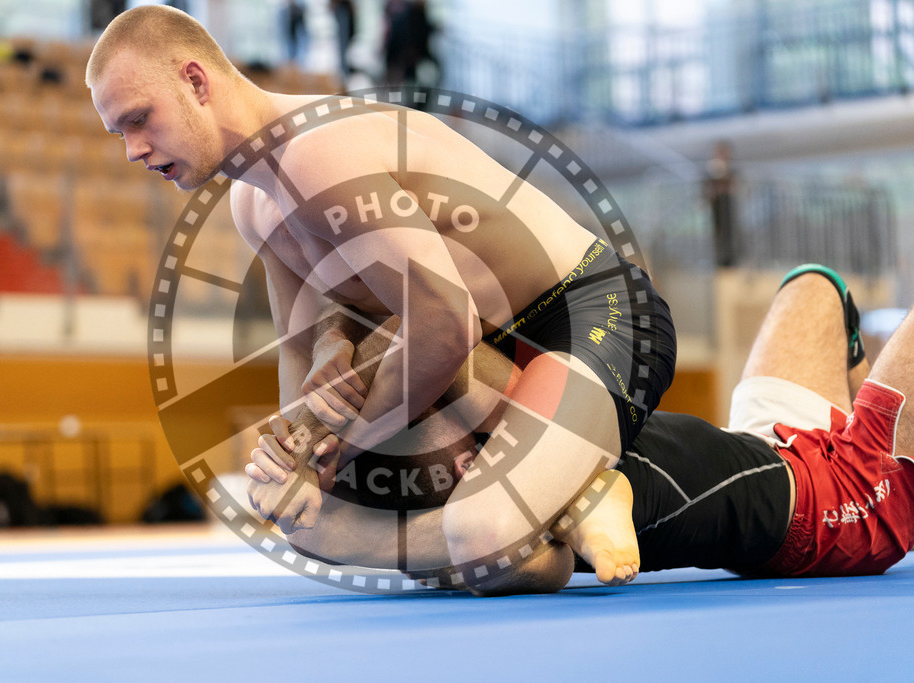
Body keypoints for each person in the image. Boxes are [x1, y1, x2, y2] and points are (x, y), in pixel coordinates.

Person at [86, 5, 677, 595]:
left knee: (469, 532)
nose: (134, 150)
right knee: (317, 503)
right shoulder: (253, 204)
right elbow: (302, 361)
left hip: (594, 312)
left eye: (140, 120)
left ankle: (550, 509)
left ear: (195, 82)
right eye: (120, 133)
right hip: (487, 357)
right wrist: (296, 456)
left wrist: (339, 449)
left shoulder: (317, 153)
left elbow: (446, 325)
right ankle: (562, 508)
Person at [247, 264, 914, 592]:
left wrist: (311, 417)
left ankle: (853, 406)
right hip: (840, 501)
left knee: (815, 283)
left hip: (774, 443)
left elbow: (399, 330)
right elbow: (536, 564)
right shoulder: (493, 523)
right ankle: (603, 495)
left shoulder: (503, 422)